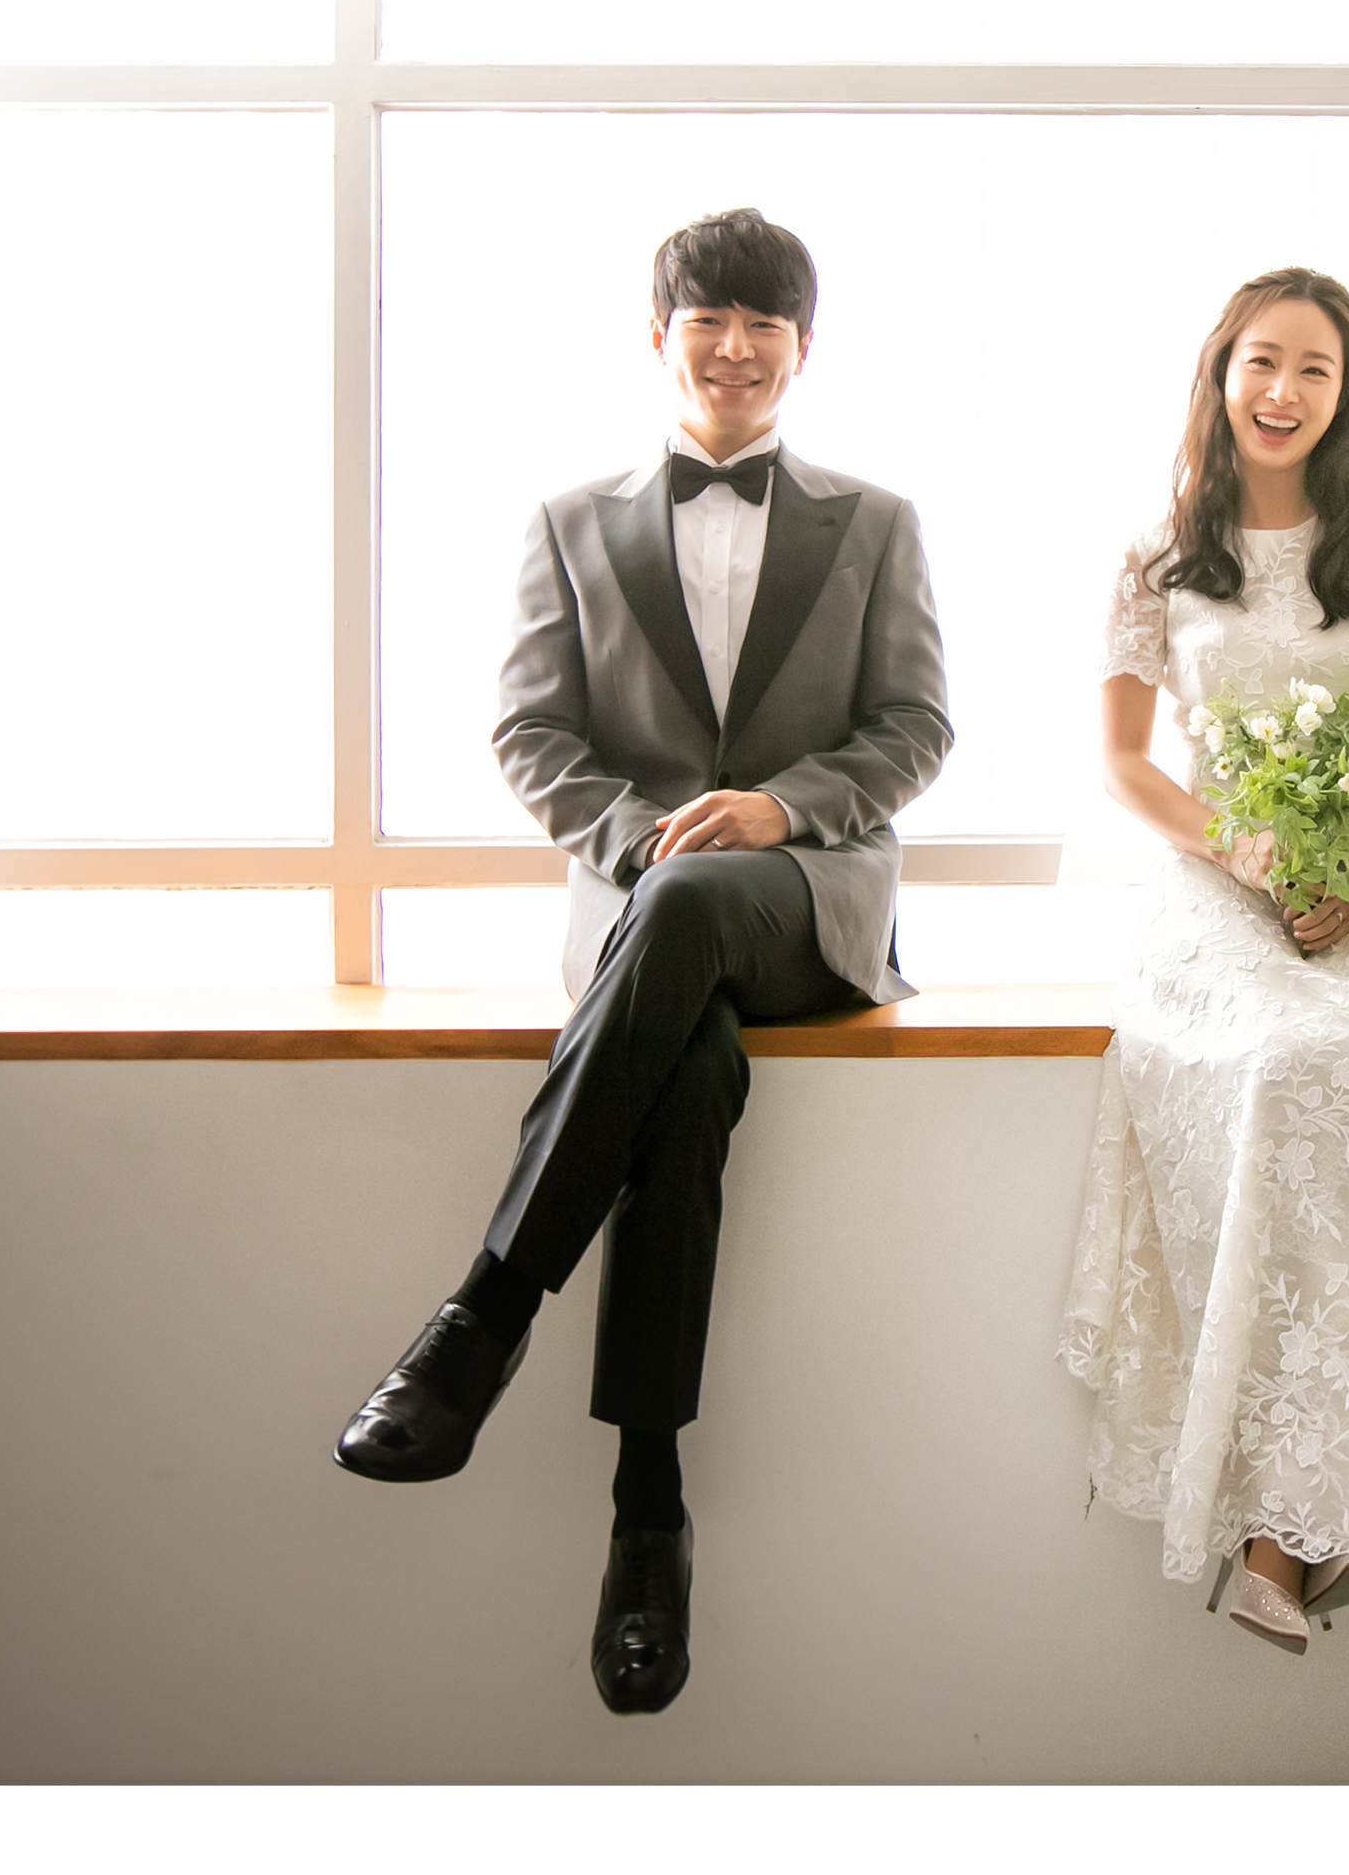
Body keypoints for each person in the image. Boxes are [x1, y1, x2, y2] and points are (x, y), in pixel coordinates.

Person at [333, 207, 951, 1716]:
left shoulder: (875, 522)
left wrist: (780, 809)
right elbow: (530, 730)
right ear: (660, 336)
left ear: (805, 346)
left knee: (691, 920)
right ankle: (648, 1512)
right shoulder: (569, 522)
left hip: (806, 899)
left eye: (763, 323)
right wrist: (645, 839)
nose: (735, 347)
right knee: (686, 1070)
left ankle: (485, 1315)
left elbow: (914, 726)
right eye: (707, 320)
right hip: (639, 906)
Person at [1060, 267, 1349, 1652]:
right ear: (1221, 375)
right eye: (1261, 361)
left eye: (1315, 369)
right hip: (1218, 881)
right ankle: (1286, 1529)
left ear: (1347, 394)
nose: (1282, 391)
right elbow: (1124, 764)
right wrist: (1253, 856)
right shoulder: (1156, 553)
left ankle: (1321, 1521)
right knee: (1281, 1064)